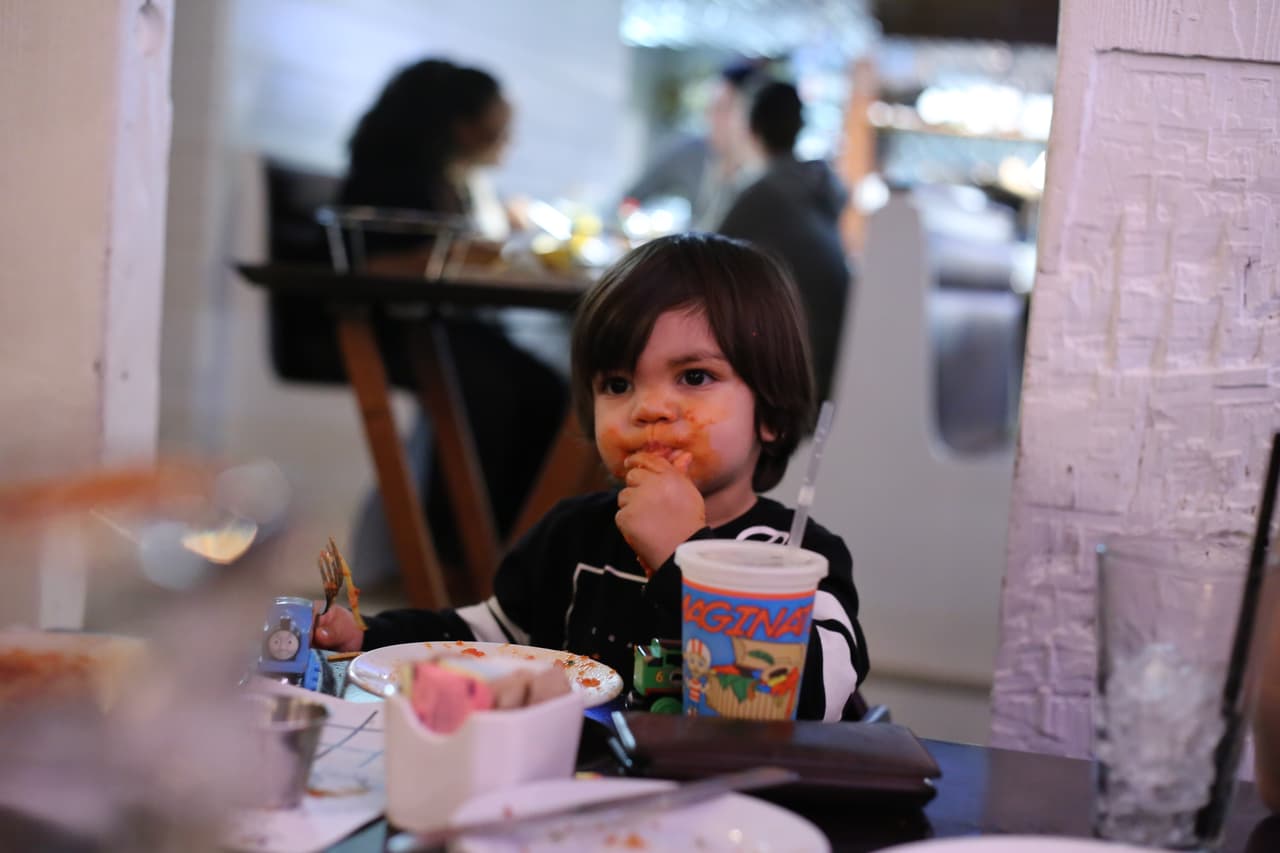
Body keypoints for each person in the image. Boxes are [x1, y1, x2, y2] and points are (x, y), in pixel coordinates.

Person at [316, 233, 870, 721]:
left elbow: (815, 700)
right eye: (618, 384)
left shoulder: (794, 560)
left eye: (695, 376)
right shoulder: (572, 534)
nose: (649, 408)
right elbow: (490, 638)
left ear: (770, 416)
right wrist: (372, 638)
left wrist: (683, 556)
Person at [338, 59, 568, 577]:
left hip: (440, 328)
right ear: (461, 125)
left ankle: (505, 551)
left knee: (541, 388)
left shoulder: (444, 178)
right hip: (400, 330)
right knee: (501, 391)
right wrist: (476, 255)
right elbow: (375, 263)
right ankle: (469, 556)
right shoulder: (390, 180)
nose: (506, 141)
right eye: (498, 128)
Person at [717, 81, 852, 402]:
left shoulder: (765, 195)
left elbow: (694, 266)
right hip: (831, 368)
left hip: (796, 377)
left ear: (752, 128)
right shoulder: (814, 189)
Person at [624, 62, 769, 231]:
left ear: (749, 116)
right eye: (711, 107)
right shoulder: (691, 153)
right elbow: (632, 197)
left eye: (722, 108)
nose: (710, 117)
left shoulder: (764, 177)